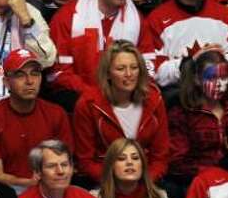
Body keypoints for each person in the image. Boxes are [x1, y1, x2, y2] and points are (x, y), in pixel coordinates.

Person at [47, 0, 155, 102]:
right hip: (82, 101)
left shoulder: (137, 20)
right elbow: (57, 74)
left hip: (126, 98)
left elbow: (148, 65)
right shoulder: (67, 17)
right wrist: (98, 96)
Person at [0, 48, 72, 191]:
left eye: (35, 74)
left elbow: (64, 164)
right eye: (20, 75)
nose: (30, 81)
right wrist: (26, 183)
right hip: (9, 190)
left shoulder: (57, 114)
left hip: (51, 187)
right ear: (6, 82)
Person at [73, 43, 170, 183]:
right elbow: (85, 161)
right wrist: (116, 181)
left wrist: (145, 180)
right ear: (108, 74)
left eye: (134, 68)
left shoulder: (154, 99)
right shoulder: (88, 104)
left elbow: (161, 157)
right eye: (121, 69)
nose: (129, 74)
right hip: (105, 181)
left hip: (146, 180)